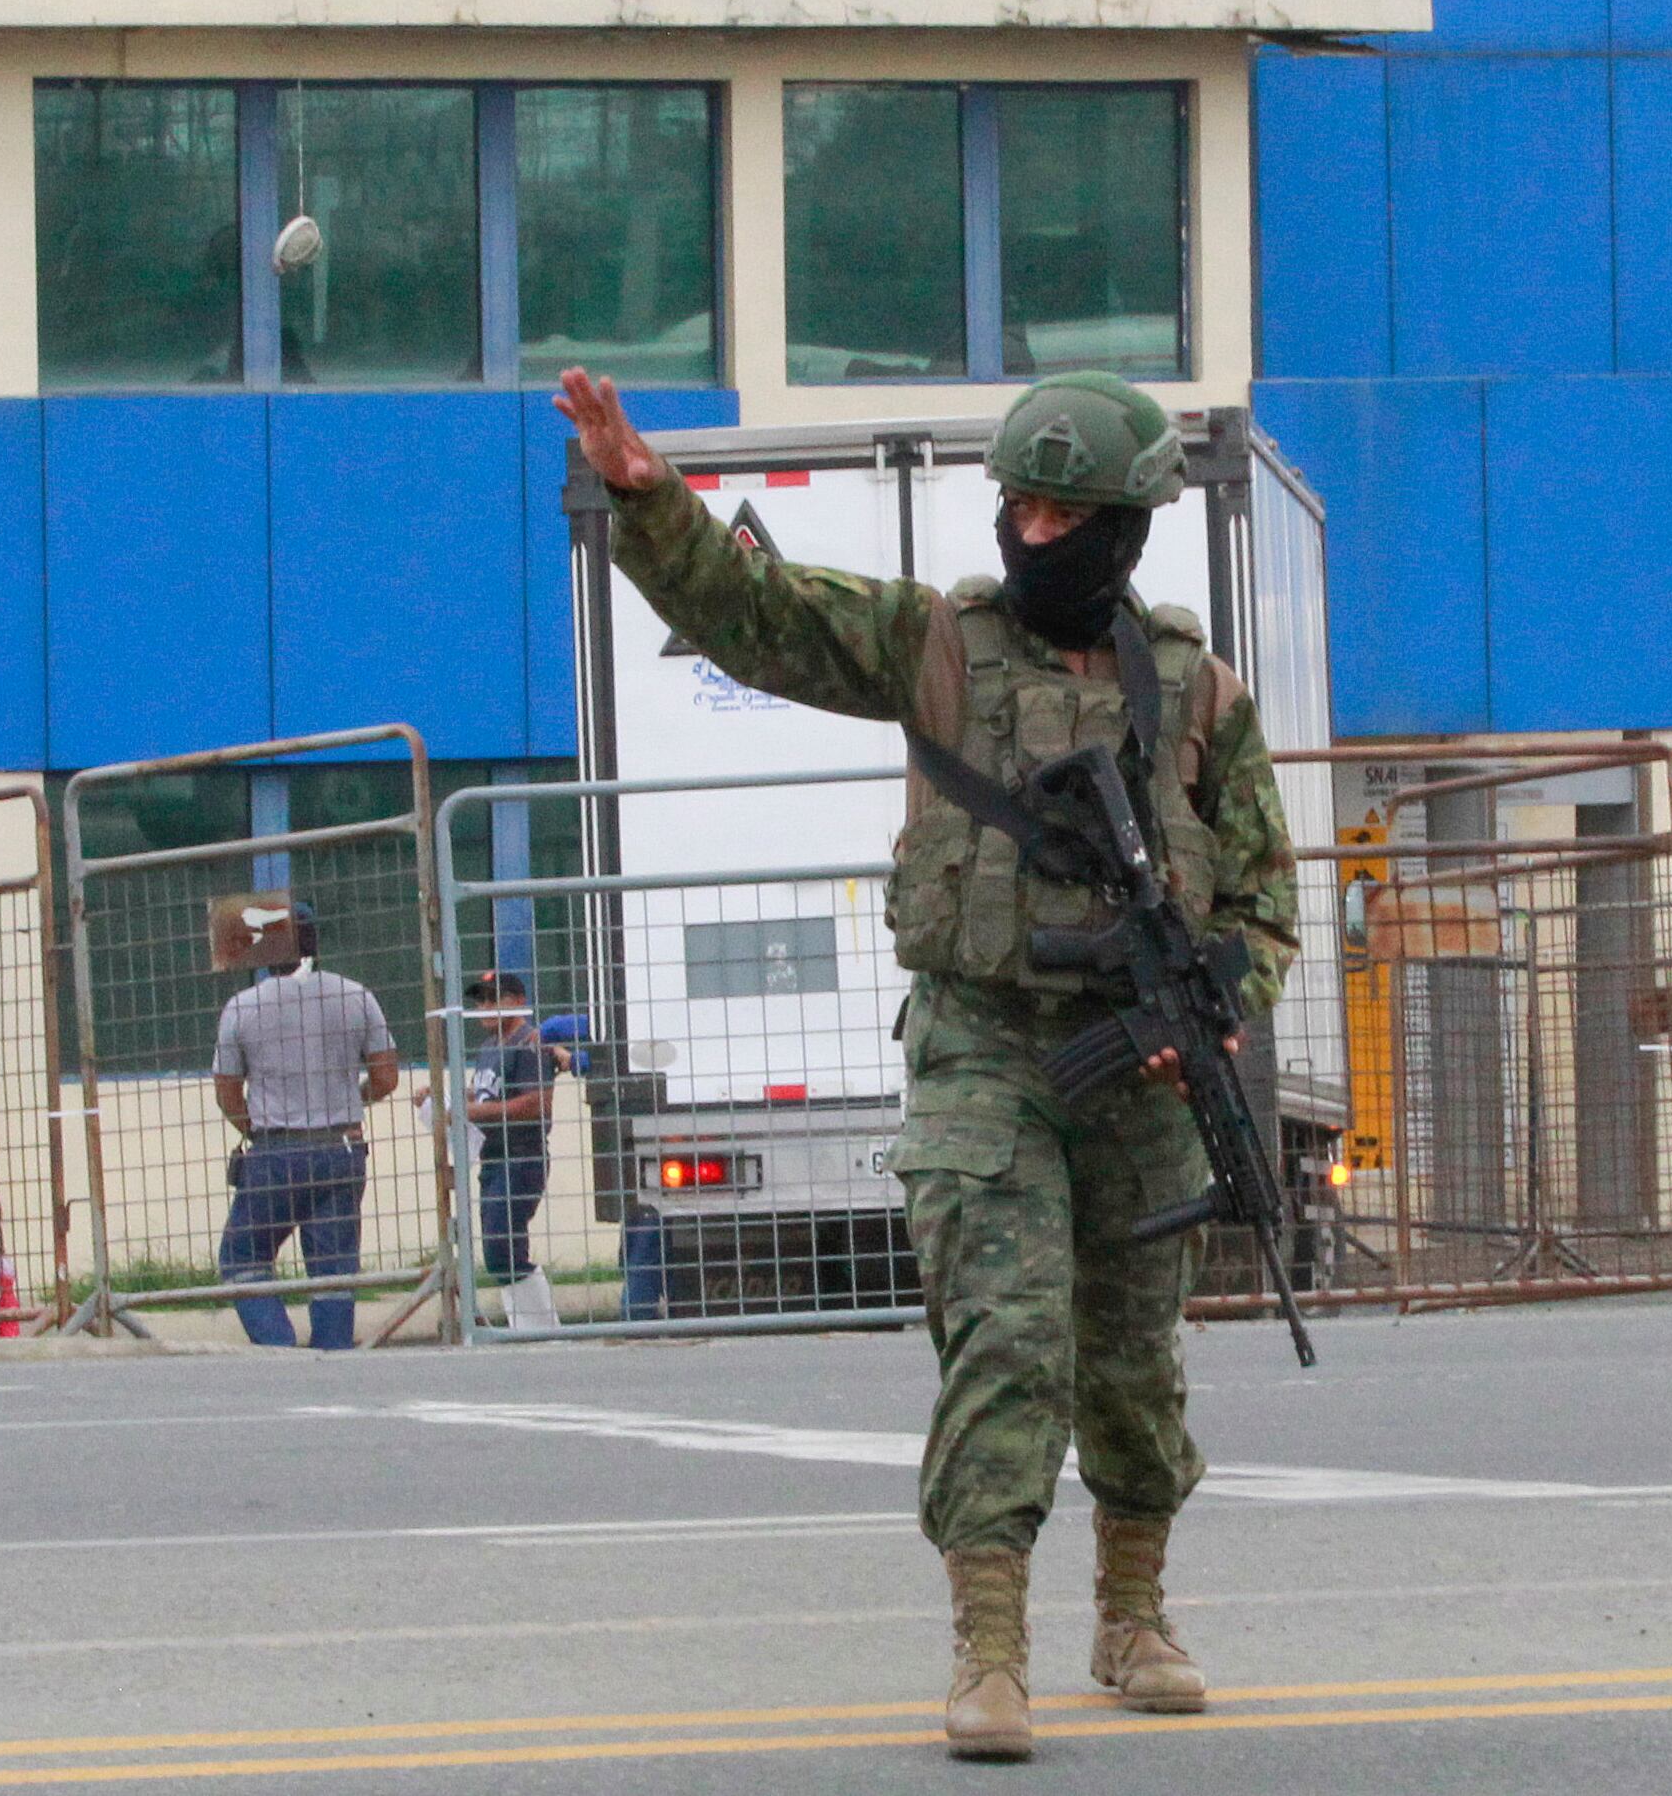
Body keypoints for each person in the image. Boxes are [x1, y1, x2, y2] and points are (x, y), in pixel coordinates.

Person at [555, 363, 1297, 1764]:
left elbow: (1265, 891)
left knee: (1134, 1355)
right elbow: (764, 622)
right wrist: (651, 508)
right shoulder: (939, 647)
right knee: (1006, 1339)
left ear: (1124, 527)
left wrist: (1224, 994)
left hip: (1141, 1071)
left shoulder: (1201, 691)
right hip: (982, 1046)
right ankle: (991, 1645)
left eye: (1062, 509)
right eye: (1016, 502)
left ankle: (1132, 1616)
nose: (1031, 529)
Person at [211, 899, 400, 1352]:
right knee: (333, 1268)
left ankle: (278, 1346)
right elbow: (386, 1077)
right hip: (341, 1147)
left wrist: (255, 1129)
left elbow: (227, 1093)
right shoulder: (355, 995)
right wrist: (347, 1100)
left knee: (243, 1256)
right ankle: (332, 1357)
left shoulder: (242, 1006)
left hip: (276, 1150)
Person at [460, 972, 564, 1305]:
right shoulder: (490, 1046)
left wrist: (472, 1112)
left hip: (521, 1155)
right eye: (481, 1000)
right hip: (495, 1156)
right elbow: (489, 1094)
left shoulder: (530, 1042)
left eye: (495, 999)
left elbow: (537, 1103)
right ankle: (530, 1326)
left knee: (502, 1246)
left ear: (518, 1001)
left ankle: (538, 1327)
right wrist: (449, 1099)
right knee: (500, 1248)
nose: (485, 1007)